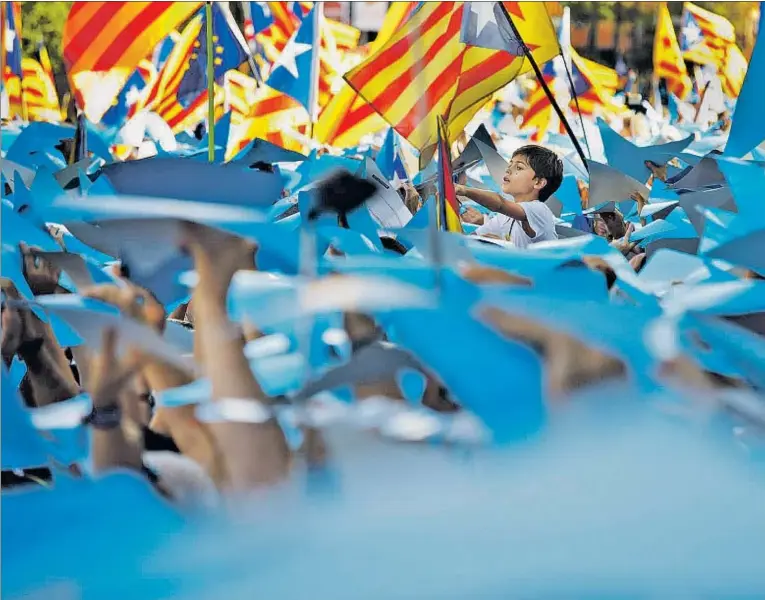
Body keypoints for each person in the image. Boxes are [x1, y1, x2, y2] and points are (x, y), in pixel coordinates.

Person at [455, 145, 563, 249]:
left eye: (519, 168)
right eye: (509, 165)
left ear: (538, 182)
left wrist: (464, 190)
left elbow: (500, 204)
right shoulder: (504, 218)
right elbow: (469, 239)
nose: (508, 170)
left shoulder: (540, 210)